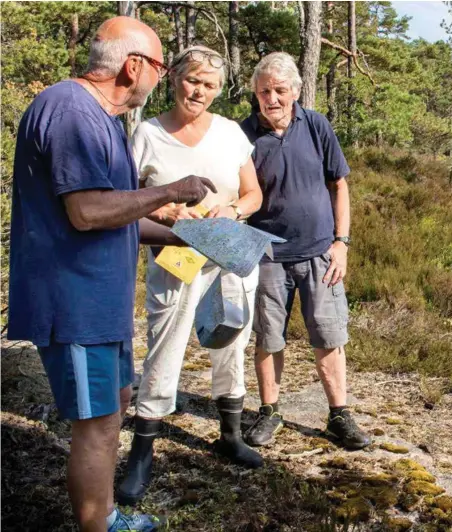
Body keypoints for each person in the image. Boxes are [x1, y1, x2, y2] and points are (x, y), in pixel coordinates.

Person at [7, 17, 217, 532]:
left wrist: (193, 238)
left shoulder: (102, 118)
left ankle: (107, 515)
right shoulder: (70, 110)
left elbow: (116, 214)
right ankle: (97, 527)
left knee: (116, 403)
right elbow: (87, 211)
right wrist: (171, 191)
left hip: (102, 304)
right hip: (74, 302)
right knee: (97, 425)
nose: (162, 78)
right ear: (133, 66)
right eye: (162, 66)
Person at [117, 45, 264, 507]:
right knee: (166, 343)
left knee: (232, 339)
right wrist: (163, 208)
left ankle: (231, 433)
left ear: (219, 91)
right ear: (175, 77)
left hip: (230, 254)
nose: (199, 91)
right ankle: (143, 448)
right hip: (174, 258)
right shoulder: (147, 133)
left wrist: (233, 208)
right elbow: (125, 196)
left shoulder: (230, 133)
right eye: (192, 80)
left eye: (210, 85)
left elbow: (253, 193)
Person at [240, 52, 371, 450]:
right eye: (265, 91)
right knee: (268, 337)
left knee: (329, 336)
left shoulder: (315, 125)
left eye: (280, 90)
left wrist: (341, 243)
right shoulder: (242, 135)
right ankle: (269, 411)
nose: (272, 98)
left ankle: (339, 415)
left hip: (320, 254)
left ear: (296, 91)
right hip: (267, 254)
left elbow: (340, 185)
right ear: (255, 93)